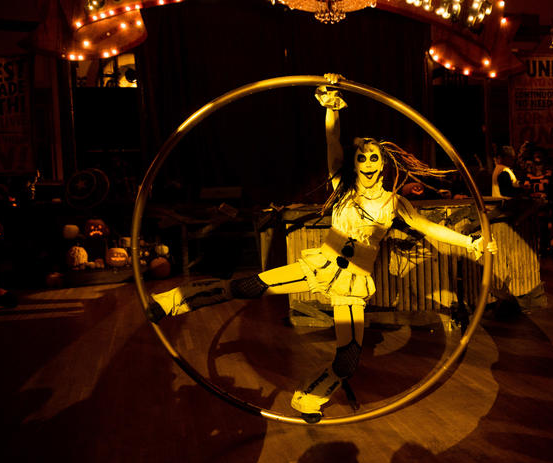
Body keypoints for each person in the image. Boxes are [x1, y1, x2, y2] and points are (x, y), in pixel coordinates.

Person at [146, 75, 497, 422]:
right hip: (321, 264)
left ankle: (310, 398)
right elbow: (332, 140)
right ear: (355, 162)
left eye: (374, 158)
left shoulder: (395, 204)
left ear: (383, 164)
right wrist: (331, 108)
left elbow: (430, 228)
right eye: (362, 158)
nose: (369, 164)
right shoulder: (341, 186)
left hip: (352, 284)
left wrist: (471, 243)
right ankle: (171, 301)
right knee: (247, 286)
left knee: (348, 359)